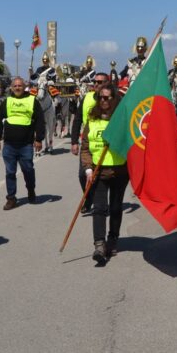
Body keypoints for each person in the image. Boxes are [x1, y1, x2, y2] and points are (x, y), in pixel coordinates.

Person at [81, 82, 128, 264]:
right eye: (100, 97)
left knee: (116, 208)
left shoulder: (121, 119)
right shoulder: (91, 120)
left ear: (114, 98)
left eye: (107, 97)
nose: (103, 101)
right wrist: (87, 168)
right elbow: (85, 147)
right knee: (99, 208)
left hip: (120, 171)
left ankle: (112, 240)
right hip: (98, 172)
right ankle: (99, 245)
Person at [0, 77, 44, 210]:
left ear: (24, 86)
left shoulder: (32, 101)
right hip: (9, 145)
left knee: (28, 170)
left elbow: (39, 121)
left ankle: (31, 190)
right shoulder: (7, 102)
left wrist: (39, 139)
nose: (17, 88)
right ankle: (11, 198)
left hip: (26, 145)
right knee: (10, 172)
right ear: (11, 87)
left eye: (20, 85)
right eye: (15, 86)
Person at [71, 71, 110, 215]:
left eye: (100, 82)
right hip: (88, 145)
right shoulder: (86, 98)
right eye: (95, 82)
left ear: (107, 83)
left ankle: (101, 205)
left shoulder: (113, 99)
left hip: (107, 145)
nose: (97, 85)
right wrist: (74, 141)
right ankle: (89, 199)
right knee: (83, 175)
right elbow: (77, 120)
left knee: (103, 178)